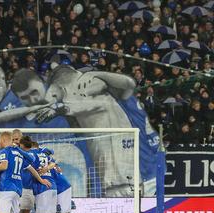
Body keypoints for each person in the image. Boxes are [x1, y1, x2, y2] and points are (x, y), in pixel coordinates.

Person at [36, 65, 160, 196]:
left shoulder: (101, 94)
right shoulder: (92, 103)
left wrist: (59, 108)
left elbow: (125, 85)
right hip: (119, 179)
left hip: (134, 177)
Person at [20, 138, 57, 213]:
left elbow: (31, 168)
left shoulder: (31, 154)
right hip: (53, 186)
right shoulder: (43, 154)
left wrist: (40, 179)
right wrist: (47, 168)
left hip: (42, 187)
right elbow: (54, 162)